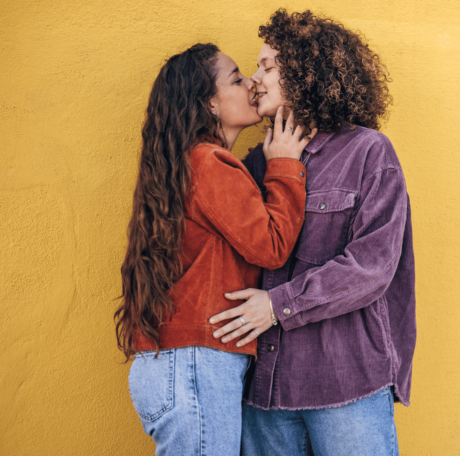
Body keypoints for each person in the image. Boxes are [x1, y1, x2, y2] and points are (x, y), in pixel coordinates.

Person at [208, 10, 416, 455]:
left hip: (345, 387)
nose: (256, 80)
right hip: (264, 395)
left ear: (305, 72)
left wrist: (278, 306)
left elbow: (371, 266)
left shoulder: (367, 152)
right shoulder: (257, 162)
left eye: (267, 66)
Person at [115, 42, 315, 455]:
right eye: (237, 78)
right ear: (209, 102)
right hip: (194, 368)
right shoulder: (209, 164)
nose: (252, 85)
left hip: (177, 366)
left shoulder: (188, 163)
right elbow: (272, 246)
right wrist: (283, 166)